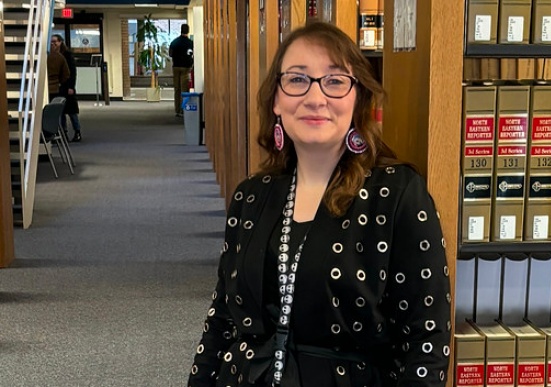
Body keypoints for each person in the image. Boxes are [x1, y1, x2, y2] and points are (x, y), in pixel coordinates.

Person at [187, 22, 451, 387]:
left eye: (335, 81)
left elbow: (425, 345)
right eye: (297, 80)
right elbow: (222, 320)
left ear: (358, 98)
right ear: (276, 100)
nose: (315, 98)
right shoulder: (251, 195)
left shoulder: (399, 195)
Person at [52, 34, 82, 142]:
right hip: (59, 86)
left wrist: (71, 87)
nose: (53, 44)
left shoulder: (67, 55)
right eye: (52, 42)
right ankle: (63, 133)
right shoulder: (53, 55)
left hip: (67, 86)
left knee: (72, 112)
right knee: (61, 112)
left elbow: (72, 72)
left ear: (60, 42)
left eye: (55, 41)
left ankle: (77, 132)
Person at [169, 23, 194, 118]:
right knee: (184, 89)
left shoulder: (175, 42)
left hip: (176, 67)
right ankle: (184, 110)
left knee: (177, 89)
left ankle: (177, 110)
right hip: (186, 68)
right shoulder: (190, 43)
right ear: (187, 31)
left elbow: (170, 54)